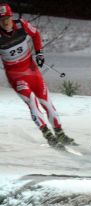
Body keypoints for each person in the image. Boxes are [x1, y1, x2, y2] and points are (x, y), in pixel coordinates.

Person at [0, 3, 74, 149]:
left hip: (32, 71)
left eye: (7, 17)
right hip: (16, 76)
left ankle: (60, 134)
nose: (5, 22)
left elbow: (36, 34)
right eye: (1, 19)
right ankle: (48, 135)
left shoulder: (21, 25)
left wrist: (39, 53)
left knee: (47, 103)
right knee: (32, 101)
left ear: (11, 16)